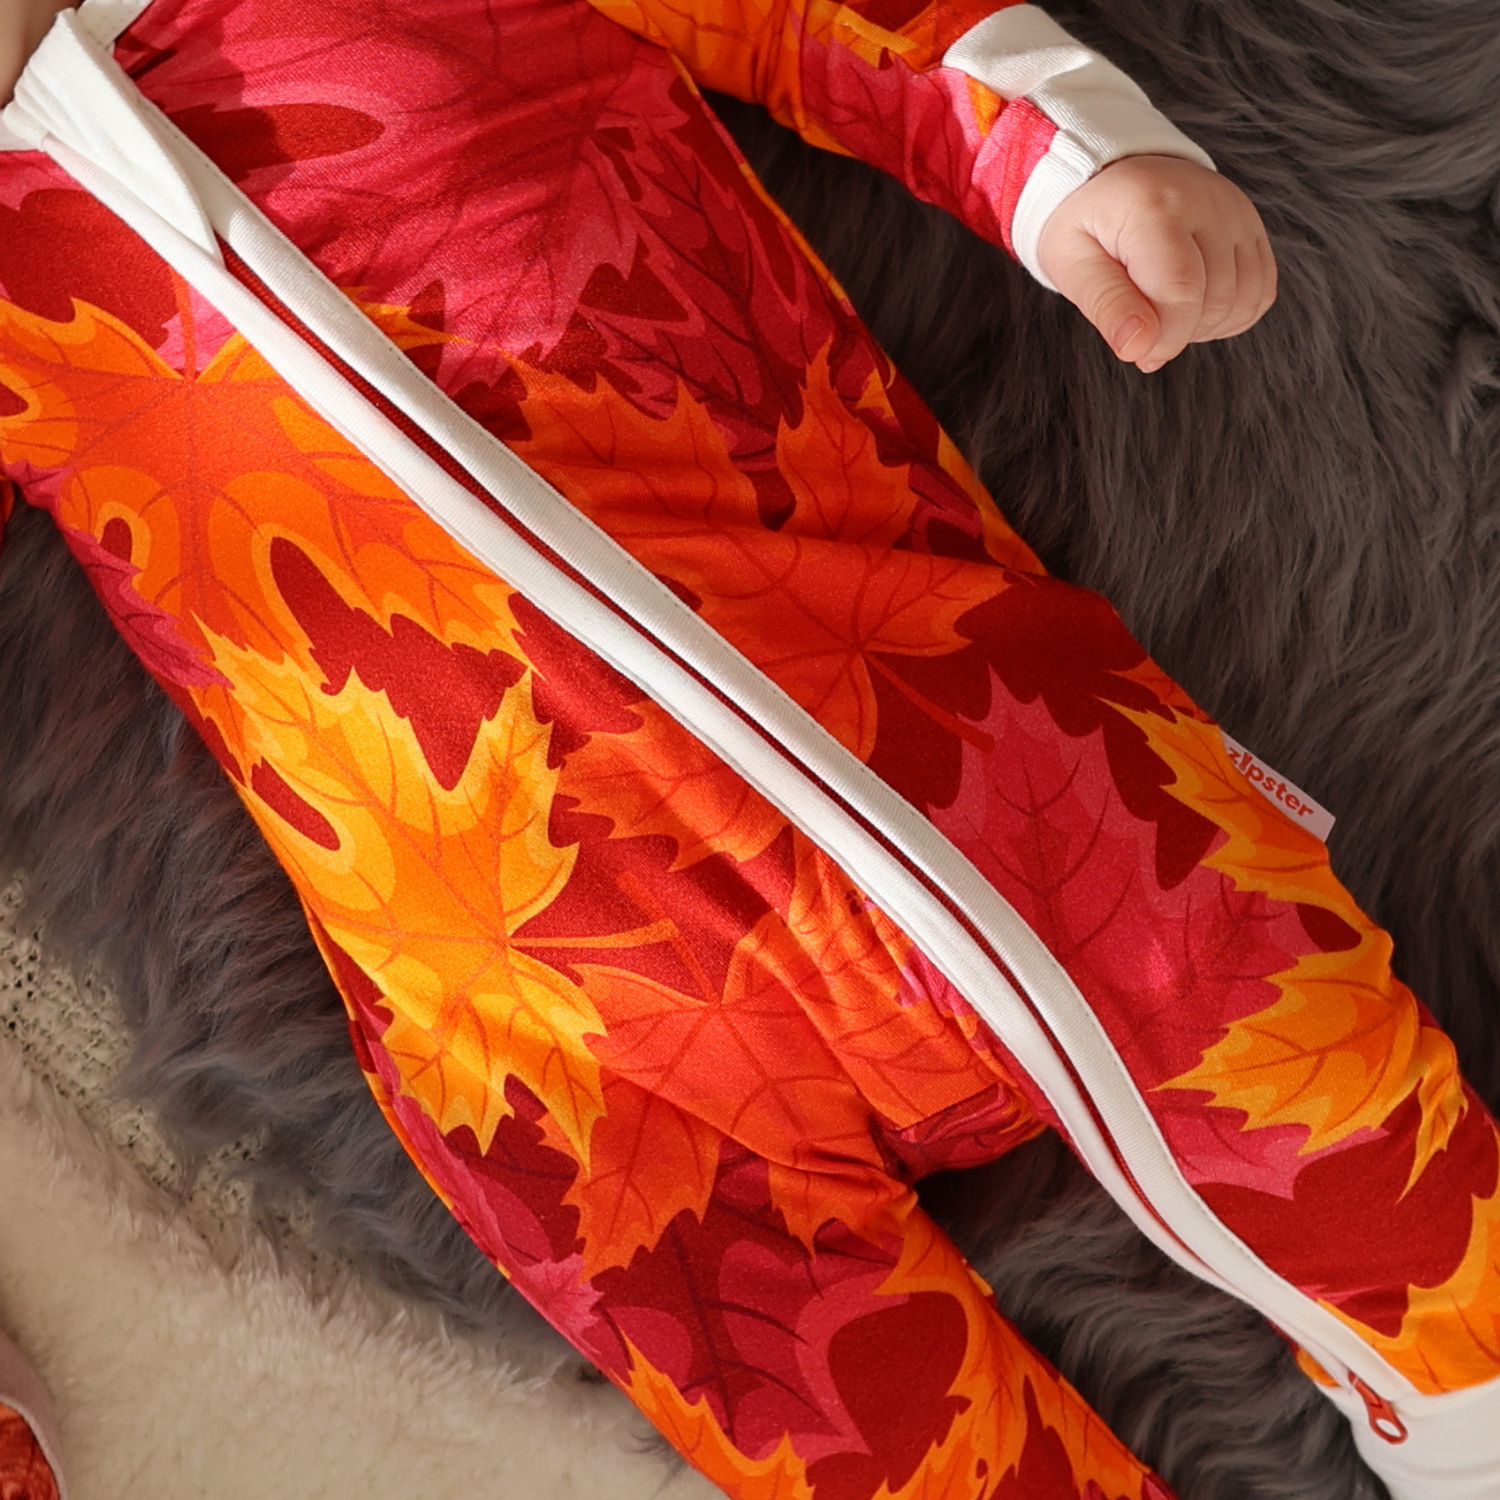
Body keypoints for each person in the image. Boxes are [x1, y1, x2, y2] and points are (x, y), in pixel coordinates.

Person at [0, 1, 1494, 1498]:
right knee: (830, 1408)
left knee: (1318, 1088)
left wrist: (1063, 159)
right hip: (569, 1056)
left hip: (952, 748)